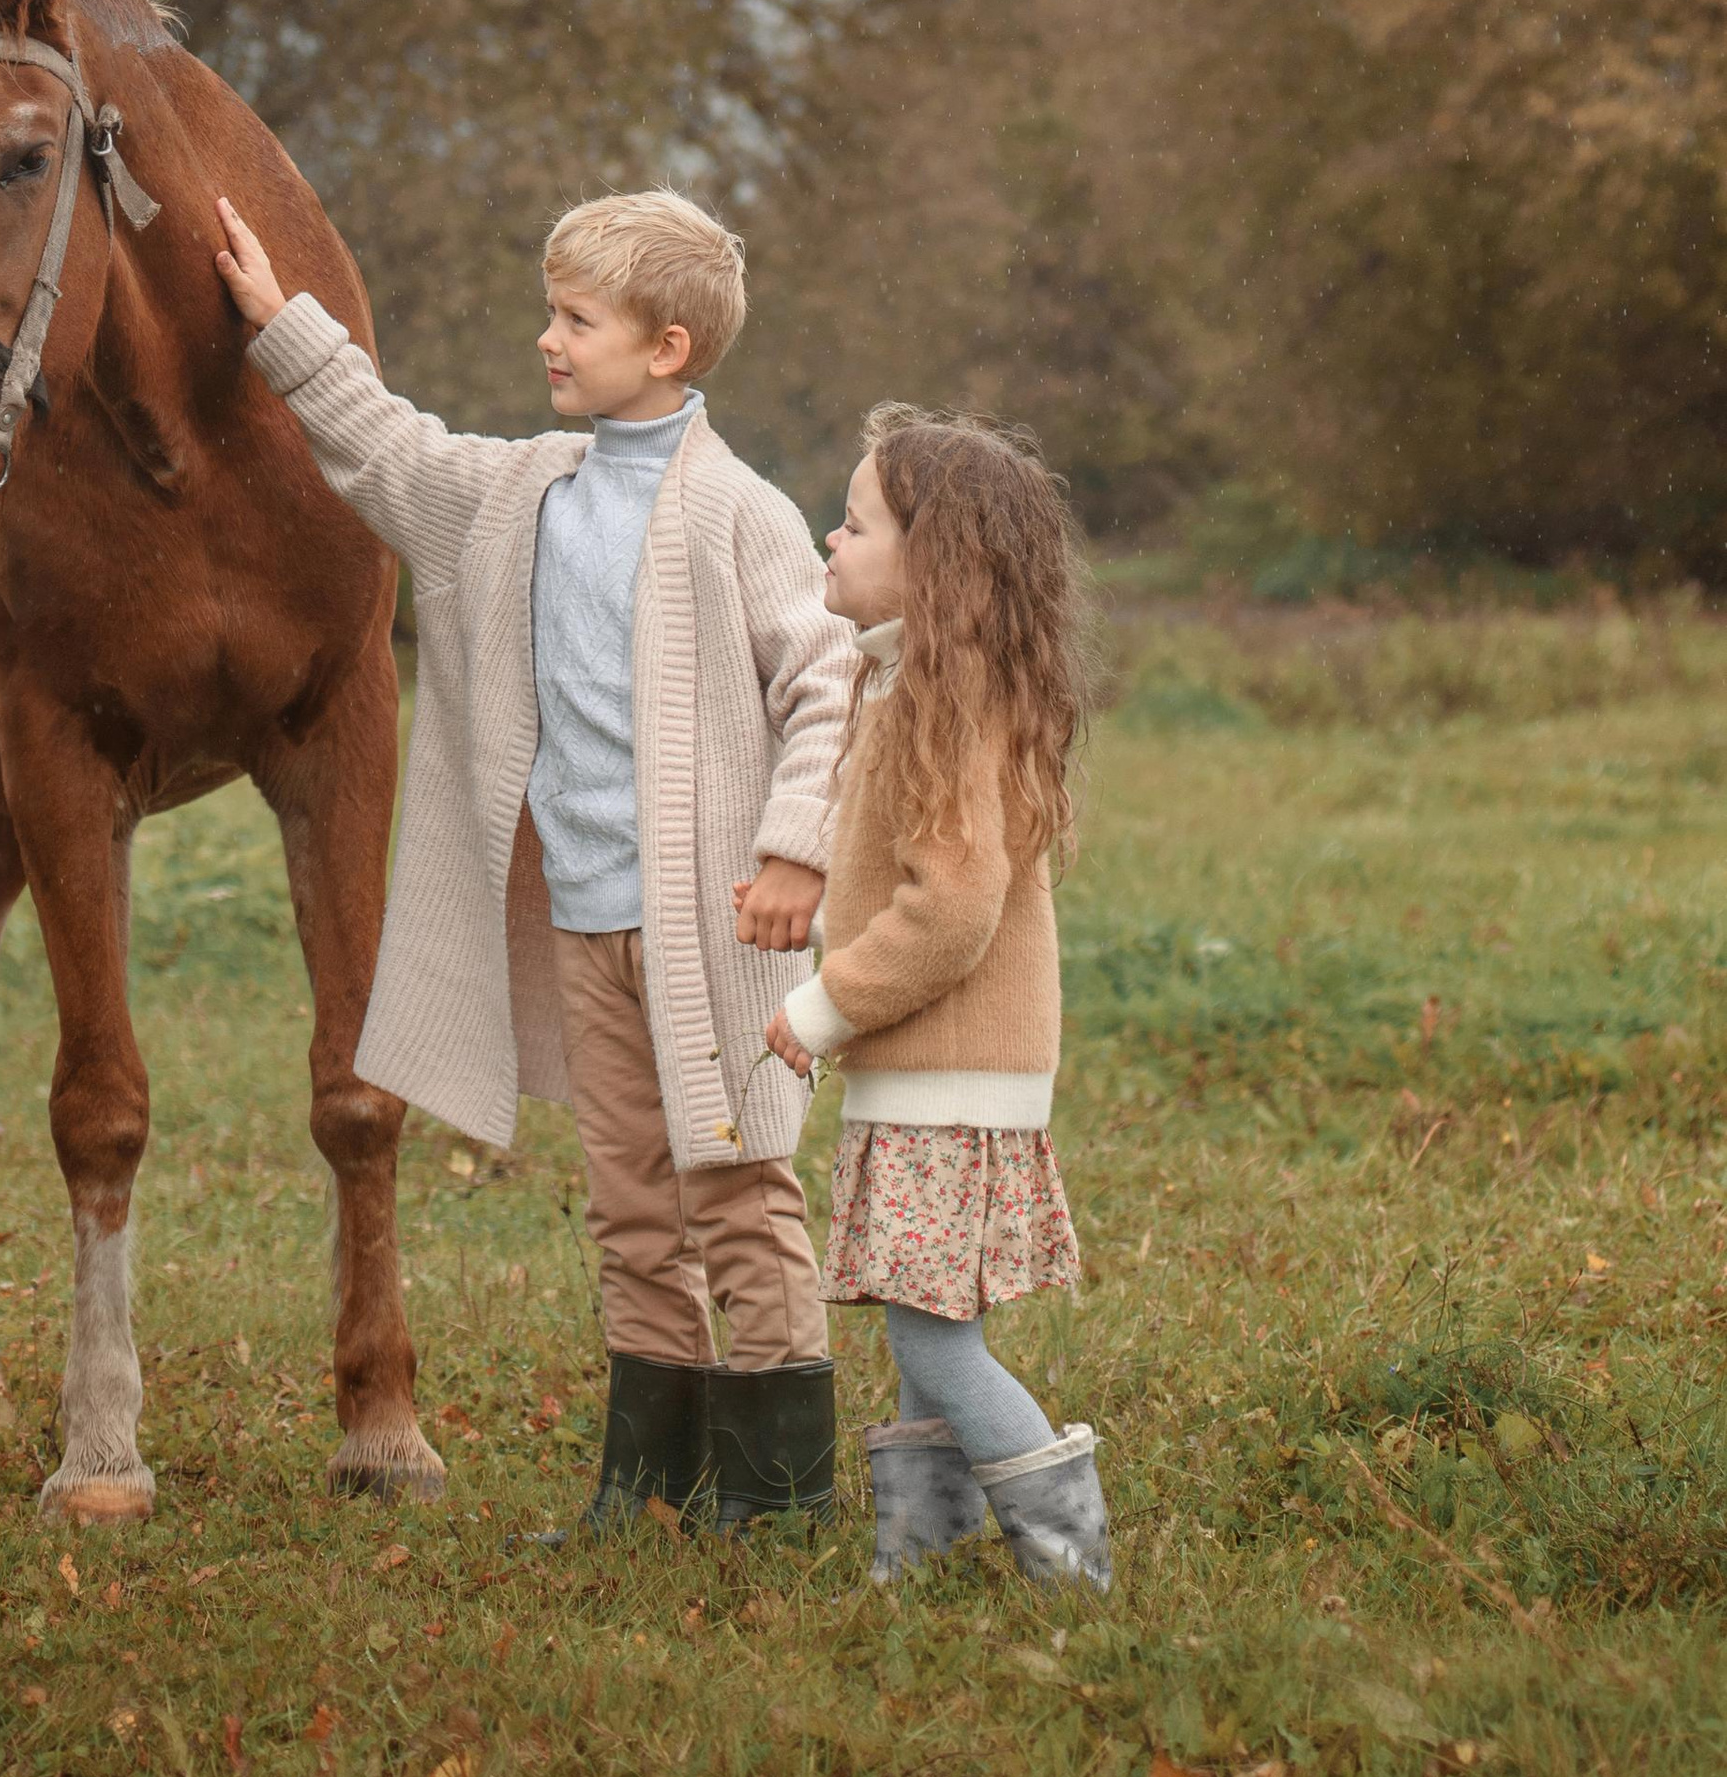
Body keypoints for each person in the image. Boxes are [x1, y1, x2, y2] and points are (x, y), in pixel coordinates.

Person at [213, 185, 857, 1529]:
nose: (548, 341)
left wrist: (799, 852)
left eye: (576, 319)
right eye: (550, 315)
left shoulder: (742, 515)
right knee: (629, 1208)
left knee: (737, 1188)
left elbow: (826, 685)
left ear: (667, 347)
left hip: (723, 931)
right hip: (585, 923)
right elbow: (384, 445)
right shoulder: (517, 494)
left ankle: (782, 1494)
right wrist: (283, 325)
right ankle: (647, 1484)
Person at [750, 404, 1109, 1589]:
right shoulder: (910, 685)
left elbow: (952, 910)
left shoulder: (945, 708)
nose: (828, 545)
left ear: (931, 563)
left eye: (851, 527)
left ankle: (1073, 1567)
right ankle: (918, 1561)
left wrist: (822, 1008)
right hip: (938, 1077)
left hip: (946, 1079)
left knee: (933, 1342)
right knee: (921, 1337)